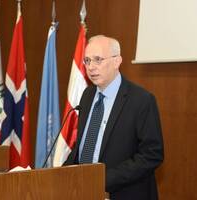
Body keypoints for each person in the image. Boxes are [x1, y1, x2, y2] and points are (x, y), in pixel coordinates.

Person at [64, 35, 164, 200]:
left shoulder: (141, 100)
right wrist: (61, 174)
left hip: (123, 193)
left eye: (98, 60)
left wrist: (103, 180)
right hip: (83, 190)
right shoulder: (87, 95)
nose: (91, 67)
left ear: (117, 61)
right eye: (87, 61)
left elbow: (151, 155)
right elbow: (83, 146)